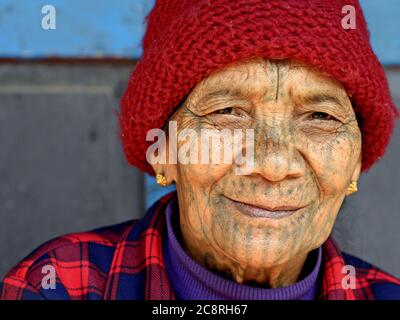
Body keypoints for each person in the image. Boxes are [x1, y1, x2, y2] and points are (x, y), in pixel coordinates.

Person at [1, 0, 400, 300]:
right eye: (227, 112)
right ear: (163, 150)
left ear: (355, 163)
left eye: (320, 117)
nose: (274, 165)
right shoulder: (62, 285)